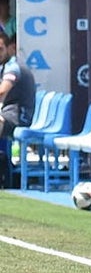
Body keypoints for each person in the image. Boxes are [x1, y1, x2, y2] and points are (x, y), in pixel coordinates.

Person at [0, 32, 36, 187]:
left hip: (20, 117)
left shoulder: (13, 67)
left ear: (10, 48)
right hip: (8, 115)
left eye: (0, 49)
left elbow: (2, 91)